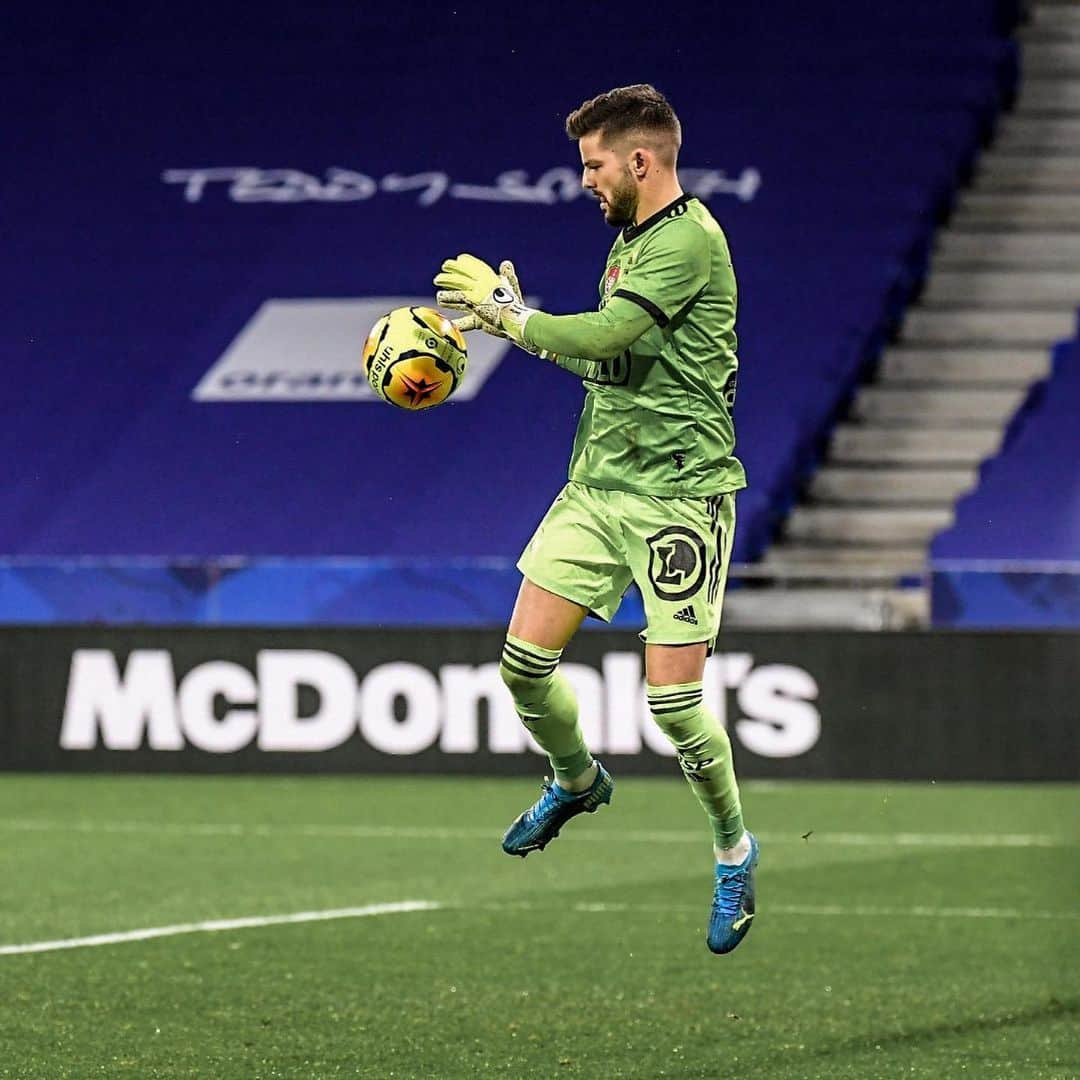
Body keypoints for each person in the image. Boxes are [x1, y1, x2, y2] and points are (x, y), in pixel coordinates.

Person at [434, 83, 756, 955]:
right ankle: (576, 780)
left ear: (640, 160)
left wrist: (513, 318)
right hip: (597, 487)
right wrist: (526, 325)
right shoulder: (630, 244)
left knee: (676, 704)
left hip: (679, 497)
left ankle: (733, 852)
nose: (585, 180)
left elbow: (606, 337)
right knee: (522, 666)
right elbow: (614, 367)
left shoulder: (688, 240)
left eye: (594, 163)